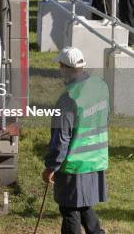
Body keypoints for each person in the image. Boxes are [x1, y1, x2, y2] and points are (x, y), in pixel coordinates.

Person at [43, 47, 108, 234]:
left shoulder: (68, 99)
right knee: (83, 202)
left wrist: (51, 167)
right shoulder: (100, 87)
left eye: (60, 66)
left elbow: (61, 139)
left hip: (74, 163)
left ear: (63, 67)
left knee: (69, 207)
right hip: (96, 158)